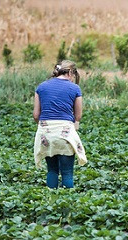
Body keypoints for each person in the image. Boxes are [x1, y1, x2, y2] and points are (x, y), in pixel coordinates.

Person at [33, 60, 87, 188]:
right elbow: (78, 115)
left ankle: (51, 200)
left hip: (46, 134)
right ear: (69, 72)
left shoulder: (41, 87)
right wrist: (74, 122)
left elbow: (36, 115)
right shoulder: (75, 88)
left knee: (52, 170)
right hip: (65, 134)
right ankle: (67, 202)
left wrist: (46, 125)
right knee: (67, 173)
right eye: (73, 75)